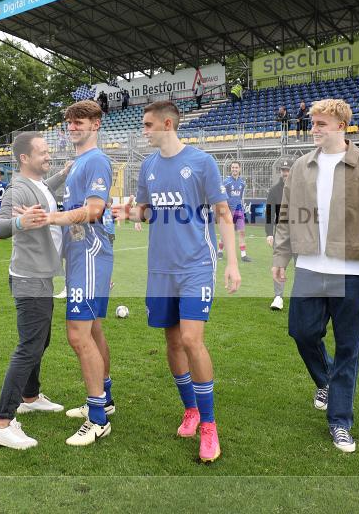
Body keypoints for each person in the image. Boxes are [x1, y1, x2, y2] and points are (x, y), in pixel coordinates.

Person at [113, 100, 241, 463]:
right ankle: (191, 409)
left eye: (148, 125)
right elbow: (146, 210)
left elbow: (223, 215)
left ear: (167, 124)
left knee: (191, 339)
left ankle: (210, 425)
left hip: (196, 265)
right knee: (172, 342)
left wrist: (232, 263)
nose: (144, 131)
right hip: (160, 269)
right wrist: (128, 210)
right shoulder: (148, 166)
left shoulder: (202, 163)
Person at [271, 99, 359, 454]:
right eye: (313, 123)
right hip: (310, 267)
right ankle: (325, 379)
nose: (314, 129)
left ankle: (340, 421)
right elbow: (287, 216)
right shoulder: (301, 166)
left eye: (321, 123)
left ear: (341, 124)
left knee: (348, 348)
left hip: (353, 273)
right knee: (301, 331)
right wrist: (281, 254)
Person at [21, 100, 114, 447]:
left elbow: (94, 210)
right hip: (83, 257)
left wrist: (52, 219)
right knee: (94, 331)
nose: (73, 127)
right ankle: (105, 399)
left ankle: (98, 419)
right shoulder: (79, 164)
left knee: (78, 336)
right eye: (70, 122)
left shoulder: (97, 160)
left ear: (96, 125)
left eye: (81, 122)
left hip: (89, 255)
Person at [0, 132, 70, 450]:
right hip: (29, 278)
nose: (49, 156)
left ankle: (30, 397)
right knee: (29, 347)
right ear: (24, 158)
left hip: (41, 275)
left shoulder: (38, 183)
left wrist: (65, 172)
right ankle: (2, 423)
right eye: (43, 153)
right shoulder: (18, 187)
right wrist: (20, 224)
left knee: (40, 340)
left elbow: (47, 191)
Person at [264, 158, 292, 311]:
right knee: (279, 264)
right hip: (281, 234)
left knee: (303, 267)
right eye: (283, 170)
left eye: (287, 170)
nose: (285, 173)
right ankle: (278, 297)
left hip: (300, 234)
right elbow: (269, 214)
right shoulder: (274, 190)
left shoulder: (301, 188)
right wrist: (269, 233)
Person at [218, 161, 251, 262]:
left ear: (239, 169)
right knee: (226, 232)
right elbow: (222, 196)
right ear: (231, 169)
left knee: (241, 232)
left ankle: (243, 255)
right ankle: (220, 251)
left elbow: (240, 197)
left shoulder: (242, 183)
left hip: (238, 210)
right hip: (228, 210)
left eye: (236, 168)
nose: (234, 169)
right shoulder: (226, 182)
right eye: (233, 167)